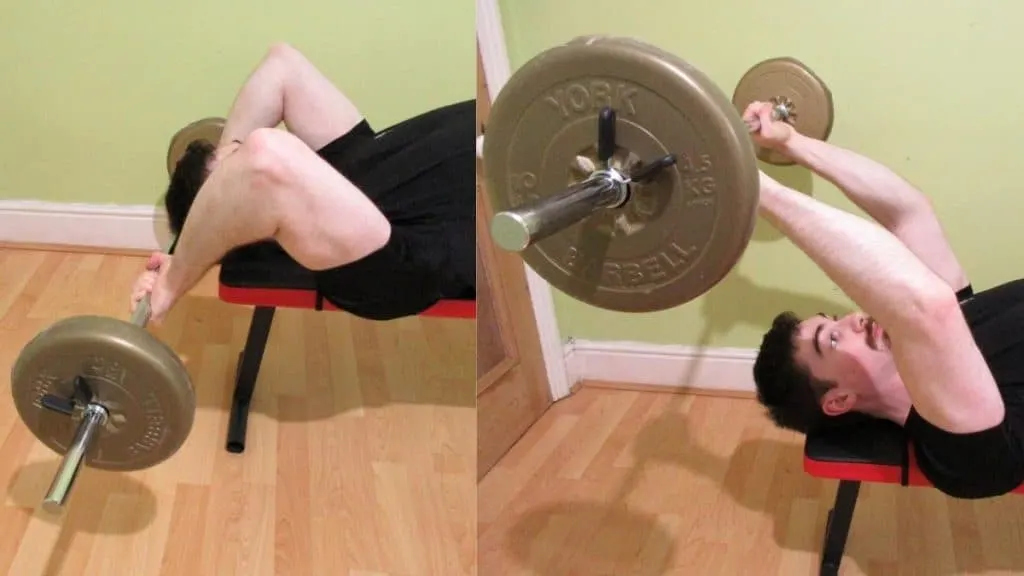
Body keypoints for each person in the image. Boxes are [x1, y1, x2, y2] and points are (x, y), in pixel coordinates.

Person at [747, 101, 1024, 499]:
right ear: (839, 400)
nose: (856, 321)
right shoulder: (956, 454)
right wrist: (755, 188)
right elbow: (924, 309)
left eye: (836, 320)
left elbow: (908, 213)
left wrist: (793, 143)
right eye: (833, 340)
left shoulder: (958, 323)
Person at [130, 43, 475, 323]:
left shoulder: (347, 163)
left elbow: (282, 66)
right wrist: (173, 281)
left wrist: (183, 248)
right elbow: (263, 161)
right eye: (235, 174)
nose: (243, 149)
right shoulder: (373, 261)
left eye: (236, 153)